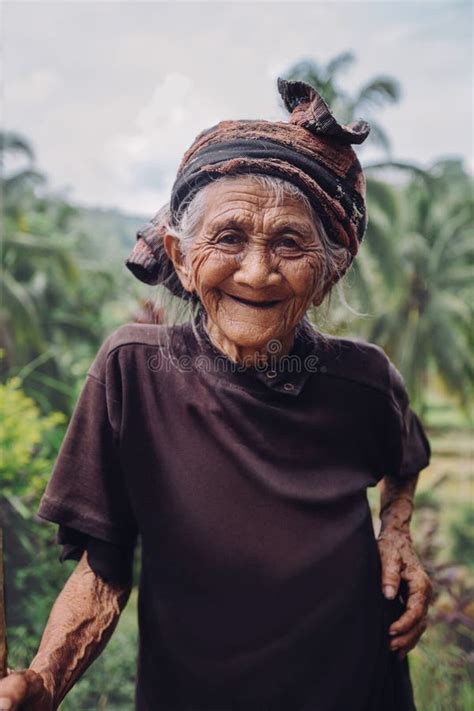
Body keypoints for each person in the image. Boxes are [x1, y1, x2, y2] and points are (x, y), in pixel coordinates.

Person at [0, 78, 433, 711]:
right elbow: (104, 571)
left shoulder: (364, 381)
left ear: (327, 270)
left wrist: (396, 531)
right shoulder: (133, 373)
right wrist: (45, 681)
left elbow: (406, 460)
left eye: (289, 242)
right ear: (179, 257)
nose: (256, 272)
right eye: (228, 238)